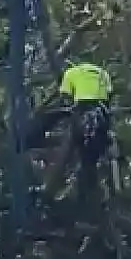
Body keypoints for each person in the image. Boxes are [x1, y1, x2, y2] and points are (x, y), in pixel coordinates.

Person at [30, 60, 115, 199]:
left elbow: (65, 97)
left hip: (82, 110)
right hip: (100, 112)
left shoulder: (70, 73)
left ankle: (32, 137)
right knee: (93, 151)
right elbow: (109, 94)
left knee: (75, 142)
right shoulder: (103, 73)